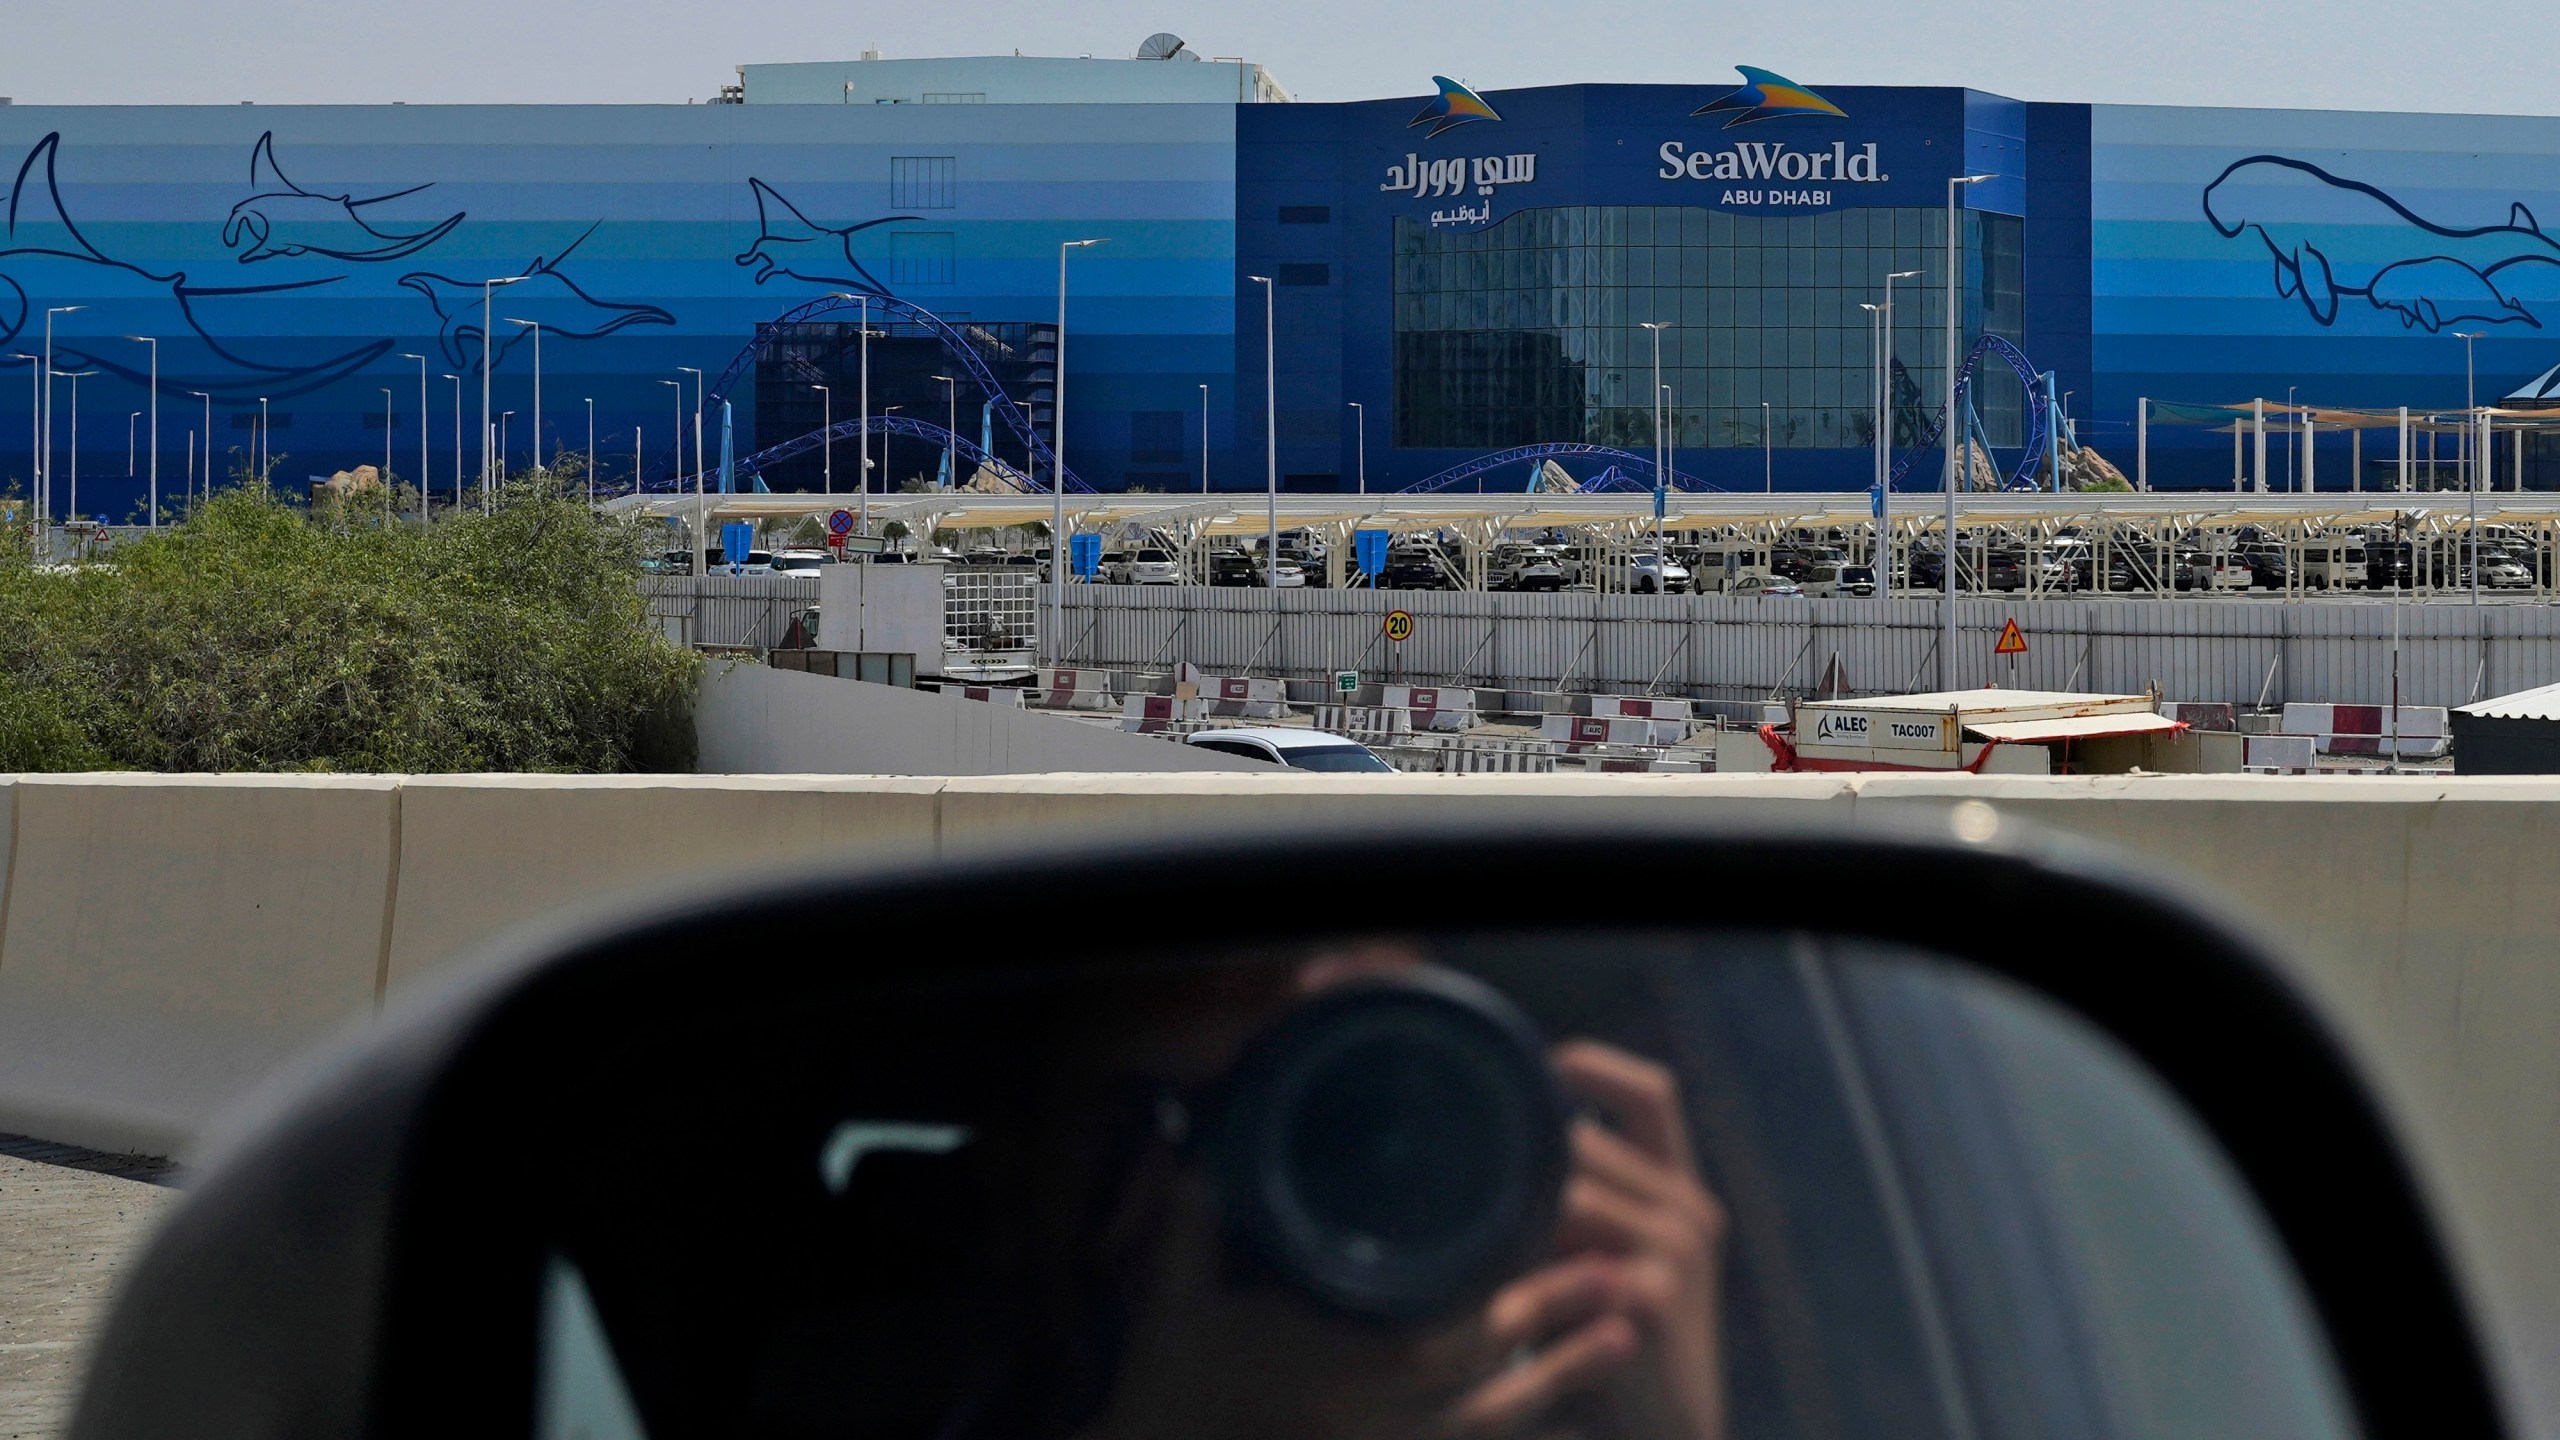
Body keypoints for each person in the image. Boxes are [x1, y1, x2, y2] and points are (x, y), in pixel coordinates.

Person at [1065, 949, 1731, 1440]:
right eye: (1315, 1130)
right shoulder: (1004, 1382)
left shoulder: (1563, 1358)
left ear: (1537, 1169)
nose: (1377, 1179)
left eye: (1447, 1134)